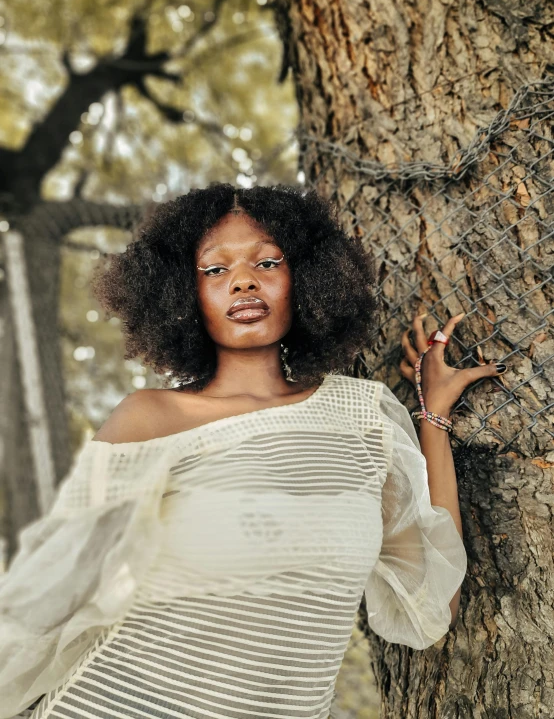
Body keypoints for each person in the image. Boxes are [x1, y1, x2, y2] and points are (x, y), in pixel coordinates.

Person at [0, 183, 505, 719]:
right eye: (214, 270)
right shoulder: (149, 419)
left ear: (305, 279)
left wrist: (433, 418)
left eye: (267, 261)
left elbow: (432, 599)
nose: (243, 279)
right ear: (182, 294)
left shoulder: (362, 417)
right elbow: (51, 593)